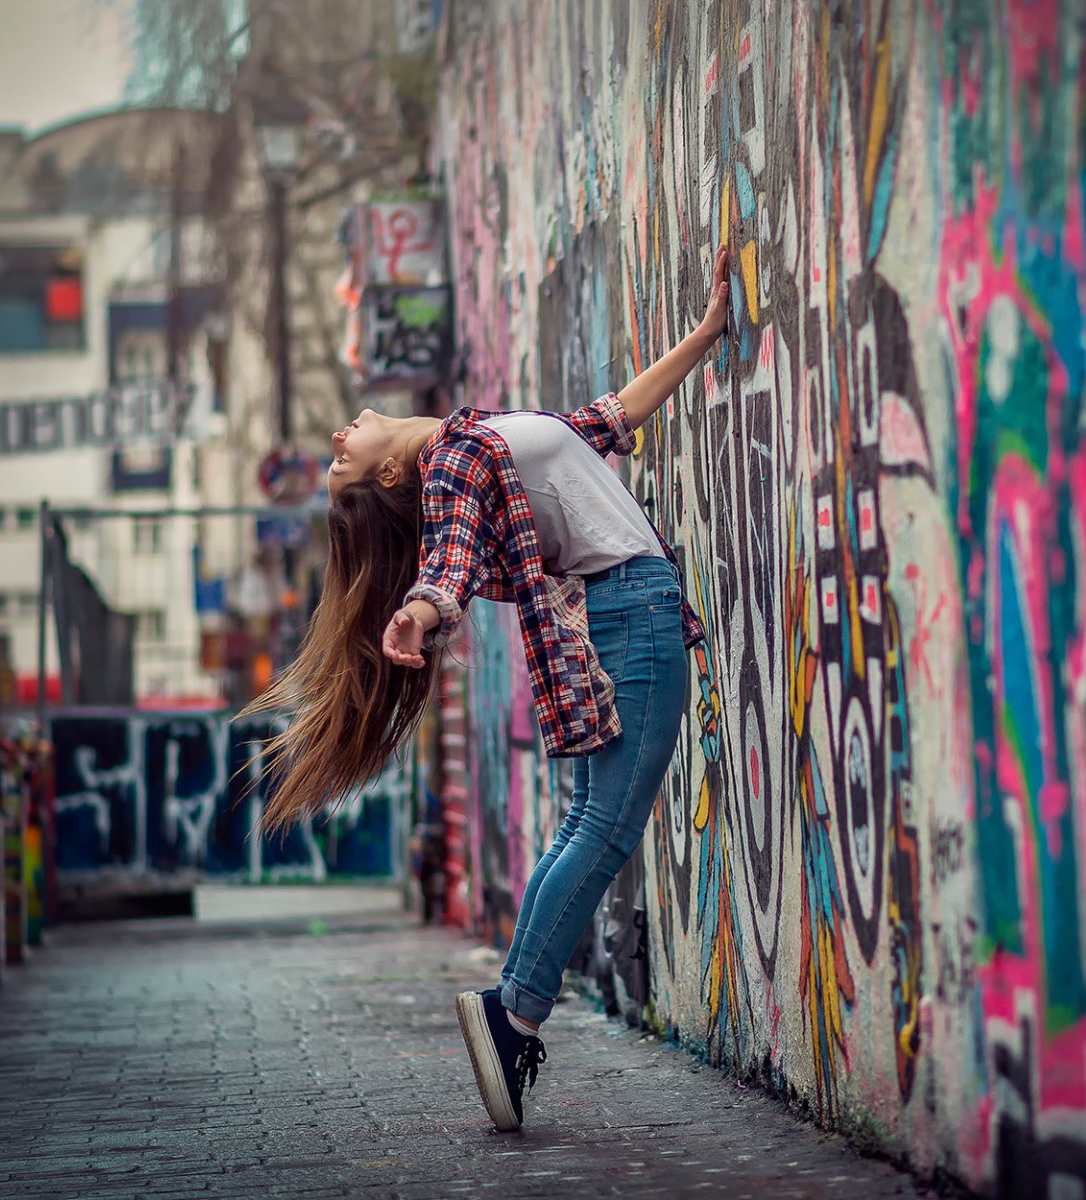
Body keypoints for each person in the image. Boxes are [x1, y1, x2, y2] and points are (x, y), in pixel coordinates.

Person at [244, 245, 733, 1132]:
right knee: (606, 827)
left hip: (623, 615)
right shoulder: (449, 469)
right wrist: (423, 612)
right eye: (344, 461)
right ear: (392, 478)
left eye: (335, 455)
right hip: (635, 613)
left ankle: (510, 1008)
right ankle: (514, 1017)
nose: (337, 438)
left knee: (591, 822)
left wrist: (705, 334)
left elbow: (609, 418)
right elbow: (452, 560)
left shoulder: (474, 443)